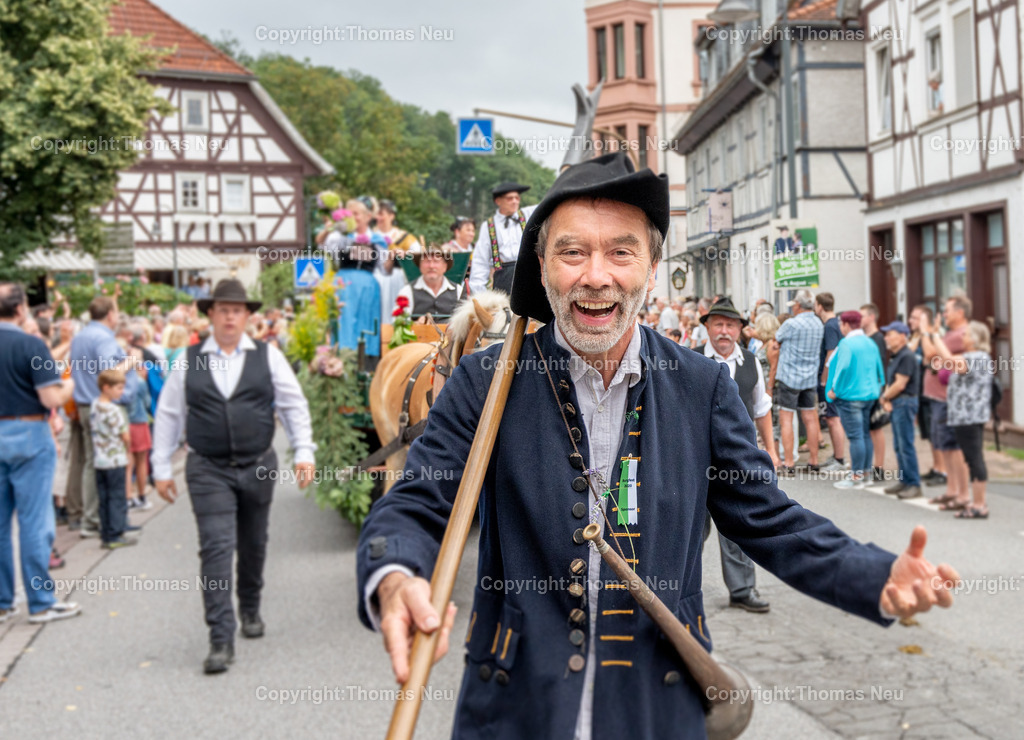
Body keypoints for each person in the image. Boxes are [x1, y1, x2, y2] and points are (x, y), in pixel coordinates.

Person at [356, 153, 961, 740]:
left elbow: (772, 520)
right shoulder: (486, 382)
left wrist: (873, 573)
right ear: (541, 267)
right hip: (514, 708)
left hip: (659, 705)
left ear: (651, 264)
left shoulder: (702, 388)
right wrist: (394, 575)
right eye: (572, 252)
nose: (597, 275)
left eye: (621, 251)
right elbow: (417, 500)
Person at [151, 279, 316, 674]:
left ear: (246, 317)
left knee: (254, 541)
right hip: (207, 467)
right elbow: (169, 414)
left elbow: (293, 405)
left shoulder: (268, 356)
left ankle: (251, 607)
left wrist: (304, 451)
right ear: (210, 314)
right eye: (222, 309)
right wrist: (159, 467)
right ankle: (220, 637)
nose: (229, 316)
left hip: (258, 462)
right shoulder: (188, 360)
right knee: (216, 548)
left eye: (237, 310)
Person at [0, 282, 81, 624]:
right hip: (29, 431)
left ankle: (3, 602)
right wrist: (71, 385)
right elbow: (50, 399)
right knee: (35, 520)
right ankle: (40, 600)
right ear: (20, 310)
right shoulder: (30, 343)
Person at [694, 298, 776, 613]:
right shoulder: (691, 358)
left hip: (737, 463)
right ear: (708, 328)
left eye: (730, 325)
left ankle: (742, 590)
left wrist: (770, 449)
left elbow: (761, 409)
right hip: (696, 461)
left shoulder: (751, 363)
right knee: (690, 529)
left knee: (739, 526)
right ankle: (680, 588)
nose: (724, 331)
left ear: (741, 329)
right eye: (718, 324)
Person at [68, 296, 138, 538]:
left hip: (86, 403)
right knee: (116, 462)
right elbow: (110, 375)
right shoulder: (103, 338)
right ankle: (108, 519)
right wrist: (131, 360)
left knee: (91, 462)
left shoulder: (80, 337)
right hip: (108, 406)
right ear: (110, 315)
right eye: (116, 312)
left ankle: (93, 517)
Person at [924, 315, 992, 518]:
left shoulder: (976, 358)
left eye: (968, 335)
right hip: (966, 417)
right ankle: (972, 501)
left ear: (977, 338)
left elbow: (947, 360)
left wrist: (935, 334)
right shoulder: (976, 357)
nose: (964, 337)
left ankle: (979, 505)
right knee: (973, 458)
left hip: (968, 417)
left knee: (974, 459)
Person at [919, 297, 971, 509]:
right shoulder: (950, 334)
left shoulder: (963, 335)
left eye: (948, 310)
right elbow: (932, 358)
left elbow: (934, 355)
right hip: (939, 398)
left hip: (951, 398)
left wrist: (926, 332)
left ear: (960, 313)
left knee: (955, 447)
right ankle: (952, 490)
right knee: (946, 446)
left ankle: (963, 494)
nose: (944, 314)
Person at [826, 311, 885, 489]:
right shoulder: (870, 342)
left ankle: (856, 476)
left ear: (845, 324)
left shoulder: (846, 343)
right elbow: (879, 368)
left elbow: (842, 368)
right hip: (870, 394)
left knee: (855, 436)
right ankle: (865, 474)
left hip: (850, 396)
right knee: (865, 434)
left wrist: (834, 389)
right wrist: (879, 386)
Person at [774, 289, 824, 474]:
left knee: (786, 418)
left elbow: (775, 341)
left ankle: (789, 462)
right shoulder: (818, 323)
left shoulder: (791, 324)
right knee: (810, 418)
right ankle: (813, 461)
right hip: (809, 377)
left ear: (798, 305)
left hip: (789, 377)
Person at [90, 368, 137, 549]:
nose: (122, 392)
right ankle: (116, 533)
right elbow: (124, 435)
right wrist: (128, 450)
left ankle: (106, 532)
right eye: (118, 388)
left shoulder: (95, 405)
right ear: (106, 387)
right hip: (115, 458)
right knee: (116, 496)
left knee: (104, 498)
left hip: (99, 459)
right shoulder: (114, 410)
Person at [467, 182, 537, 295]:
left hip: (529, 276)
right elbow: (480, 261)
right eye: (510, 198)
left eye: (517, 198)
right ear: (498, 201)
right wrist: (479, 294)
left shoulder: (529, 214)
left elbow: (550, 204)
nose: (515, 201)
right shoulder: (489, 226)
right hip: (503, 281)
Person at [879, 321, 922, 499]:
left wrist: (885, 397)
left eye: (891, 334)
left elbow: (900, 383)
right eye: (886, 334)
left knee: (906, 444)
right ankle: (904, 480)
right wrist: (888, 398)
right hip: (898, 403)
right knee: (899, 445)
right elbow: (892, 381)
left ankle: (913, 484)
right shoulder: (896, 356)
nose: (886, 337)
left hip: (905, 403)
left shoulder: (906, 356)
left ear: (903, 336)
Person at [815, 292, 846, 472]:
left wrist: (824, 380)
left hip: (829, 380)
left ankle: (840, 459)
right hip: (834, 379)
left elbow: (830, 353)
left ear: (820, 306)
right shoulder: (836, 324)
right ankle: (837, 455)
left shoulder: (830, 326)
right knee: (831, 417)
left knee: (833, 418)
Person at [376, 199, 418, 326]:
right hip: (376, 277)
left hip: (397, 277)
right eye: (377, 214)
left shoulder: (403, 236)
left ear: (391, 216)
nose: (378, 217)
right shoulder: (370, 235)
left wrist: (405, 254)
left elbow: (419, 254)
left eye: (381, 214)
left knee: (396, 310)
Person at [394, 244, 464, 319]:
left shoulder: (459, 291)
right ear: (420, 266)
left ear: (444, 266)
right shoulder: (407, 292)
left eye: (436, 261)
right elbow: (398, 322)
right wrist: (415, 325)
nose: (431, 266)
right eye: (427, 261)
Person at [861, 303, 889, 481]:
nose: (860, 319)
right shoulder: (865, 337)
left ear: (872, 317)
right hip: (865, 387)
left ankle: (879, 467)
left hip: (875, 388)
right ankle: (869, 466)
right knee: (869, 429)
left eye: (862, 315)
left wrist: (881, 390)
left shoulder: (878, 339)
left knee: (876, 428)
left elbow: (881, 366)